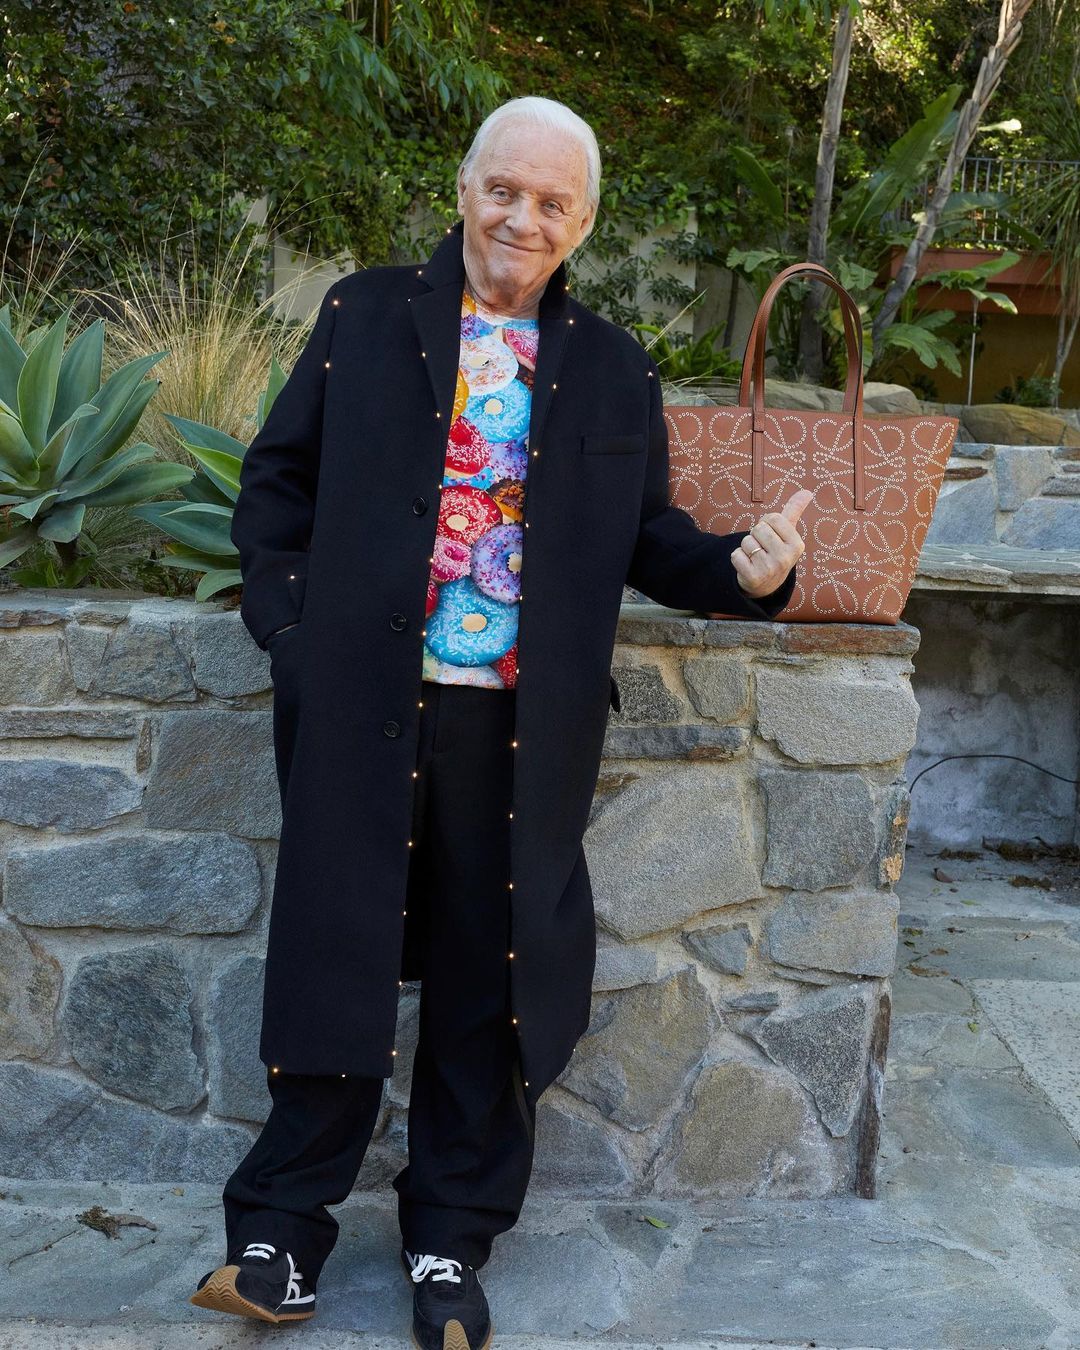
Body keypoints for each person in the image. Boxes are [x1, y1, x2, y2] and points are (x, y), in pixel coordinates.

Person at [190, 95, 807, 1347]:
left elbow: (648, 538)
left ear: (584, 223)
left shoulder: (615, 366)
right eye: (504, 190)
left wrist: (745, 571)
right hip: (360, 704)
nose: (523, 218)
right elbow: (277, 484)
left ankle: (448, 1242)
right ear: (465, 189)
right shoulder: (364, 315)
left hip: (519, 730)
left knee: (492, 975)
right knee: (333, 956)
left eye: (552, 202)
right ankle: (282, 1234)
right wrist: (292, 639)